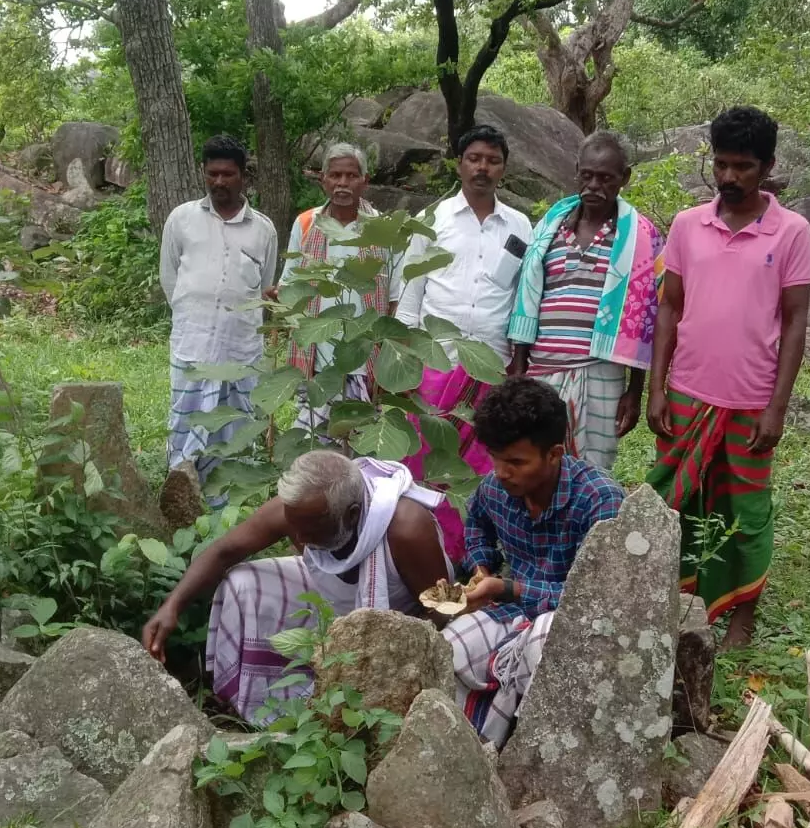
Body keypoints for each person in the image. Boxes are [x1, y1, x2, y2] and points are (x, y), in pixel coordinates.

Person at [646, 106, 810, 648]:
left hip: (750, 400)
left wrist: (777, 407)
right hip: (688, 394)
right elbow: (668, 310)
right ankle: (666, 598)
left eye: (743, 166)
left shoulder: (792, 232)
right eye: (721, 164)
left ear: (767, 166)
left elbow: (794, 323)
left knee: (746, 511)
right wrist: (656, 389)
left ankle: (742, 617)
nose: (729, 177)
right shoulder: (688, 225)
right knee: (673, 500)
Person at [141, 450, 452, 724]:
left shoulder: (406, 528)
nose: (299, 541)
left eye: (311, 531)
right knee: (243, 583)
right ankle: (261, 708)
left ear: (353, 515)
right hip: (331, 605)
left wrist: (384, 654)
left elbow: (442, 611)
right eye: (295, 528)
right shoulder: (301, 510)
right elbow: (226, 551)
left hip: (402, 626)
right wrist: (172, 606)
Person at [440, 376, 623, 748]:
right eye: (495, 458)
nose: (502, 471)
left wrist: (508, 588)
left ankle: (532, 752)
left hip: (576, 625)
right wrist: (481, 568)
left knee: (543, 642)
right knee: (448, 648)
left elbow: (602, 599)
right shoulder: (496, 488)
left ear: (554, 454)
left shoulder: (600, 502)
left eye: (515, 462)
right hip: (512, 614)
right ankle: (464, 748)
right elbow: (477, 524)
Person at [393, 125, 534, 557]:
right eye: (474, 158)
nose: (482, 168)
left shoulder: (520, 225)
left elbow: (522, 297)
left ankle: (469, 551)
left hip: (490, 365)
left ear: (503, 168)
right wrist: (403, 357)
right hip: (435, 362)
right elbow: (409, 292)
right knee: (425, 457)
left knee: (481, 464)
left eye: (492, 160)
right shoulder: (432, 221)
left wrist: (518, 361)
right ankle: (415, 546)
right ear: (459, 163)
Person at [505, 131, 664, 472]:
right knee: (538, 466)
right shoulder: (550, 226)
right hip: (542, 368)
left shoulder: (641, 236)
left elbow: (647, 317)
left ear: (625, 178)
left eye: (606, 178)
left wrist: (635, 391)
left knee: (594, 469)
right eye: (587, 175)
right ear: (576, 171)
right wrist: (519, 366)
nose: (594, 185)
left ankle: (591, 527)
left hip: (601, 370)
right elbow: (527, 294)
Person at [161, 134, 279, 482]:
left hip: (240, 349)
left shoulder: (263, 230)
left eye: (227, 174)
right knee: (186, 420)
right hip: (192, 345)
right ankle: (182, 490)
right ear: (204, 172)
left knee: (236, 426)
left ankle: (226, 501)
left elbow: (265, 286)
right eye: (212, 173)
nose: (219, 181)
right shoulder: (181, 219)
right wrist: (193, 315)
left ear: (244, 176)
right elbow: (170, 278)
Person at [279, 143, 390, 435]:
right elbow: (290, 286)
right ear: (323, 179)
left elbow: (394, 297)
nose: (342, 183)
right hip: (318, 358)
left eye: (351, 175)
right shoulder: (306, 224)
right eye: (335, 175)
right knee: (313, 442)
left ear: (365, 180)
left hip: (365, 360)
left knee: (361, 444)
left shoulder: (383, 228)